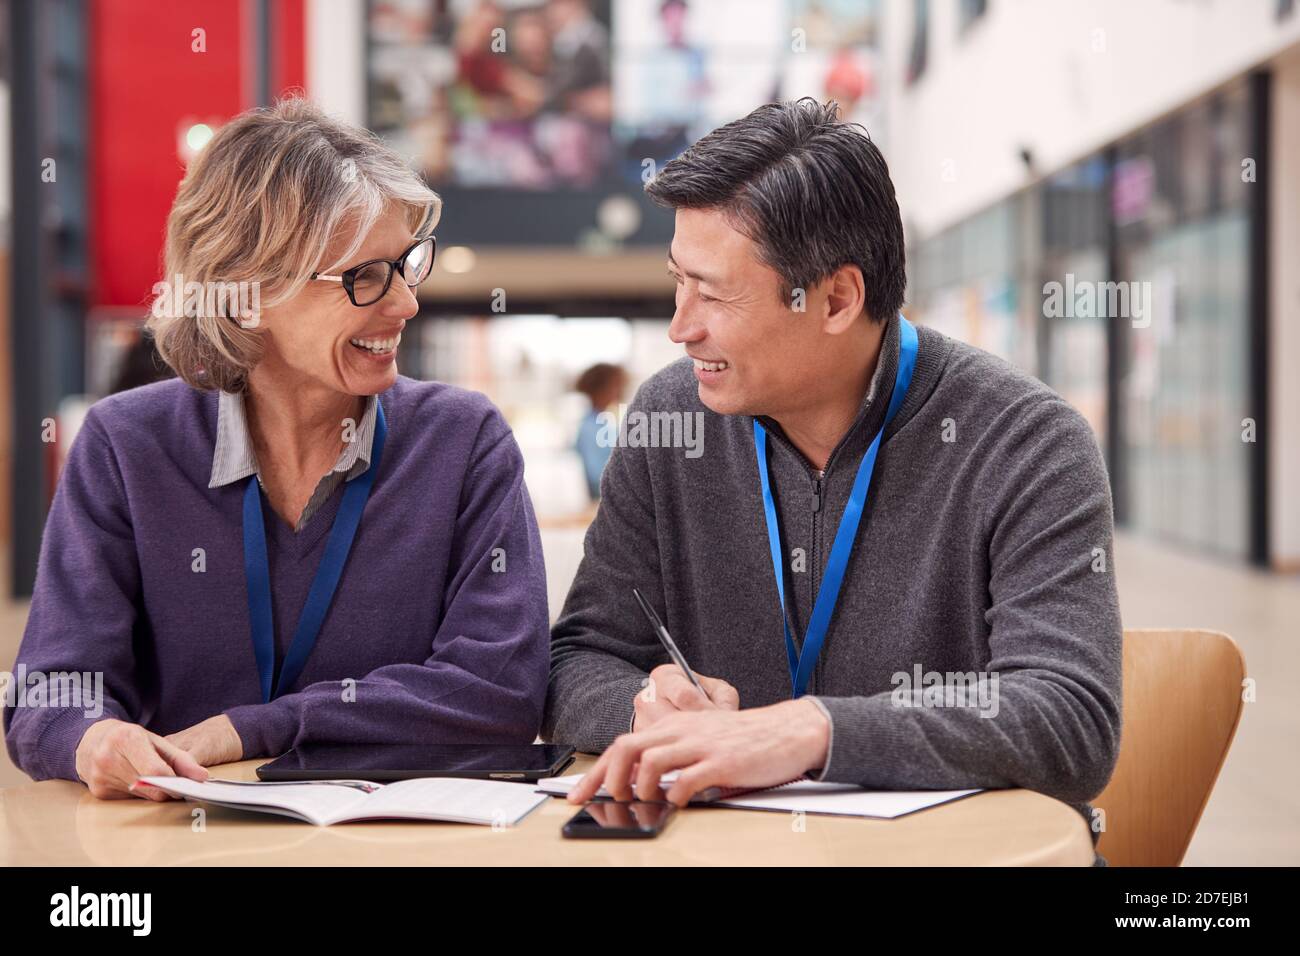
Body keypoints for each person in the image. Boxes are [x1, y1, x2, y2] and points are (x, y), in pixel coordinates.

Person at [543, 99, 1122, 839]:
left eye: (714, 293)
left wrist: (808, 731)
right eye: (678, 280)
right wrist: (645, 707)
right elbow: (579, 659)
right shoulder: (670, 421)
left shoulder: (1024, 442)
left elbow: (1070, 717)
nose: (680, 326)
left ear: (837, 298)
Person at [4, 98, 550, 799]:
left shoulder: (462, 440)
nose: (406, 304)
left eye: (406, 265)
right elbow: (51, 690)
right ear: (245, 295)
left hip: (402, 847)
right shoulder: (125, 447)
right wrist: (93, 738)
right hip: (182, 842)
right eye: (364, 278)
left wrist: (251, 727)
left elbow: (501, 693)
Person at [573, 362, 627, 499]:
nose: (620, 390)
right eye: (616, 385)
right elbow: (596, 476)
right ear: (600, 388)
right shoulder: (590, 428)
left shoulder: (605, 422)